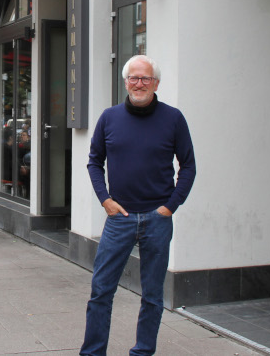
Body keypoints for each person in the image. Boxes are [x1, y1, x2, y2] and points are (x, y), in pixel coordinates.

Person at [80, 55, 196, 356]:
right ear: (125, 81)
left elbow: (189, 166)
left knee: (153, 295)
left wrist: (170, 206)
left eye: (145, 78)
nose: (139, 83)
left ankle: (143, 352)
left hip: (158, 217)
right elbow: (94, 162)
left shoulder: (173, 119)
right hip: (119, 218)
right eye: (134, 78)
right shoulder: (109, 117)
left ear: (156, 83)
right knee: (101, 291)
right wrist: (105, 199)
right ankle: (92, 353)